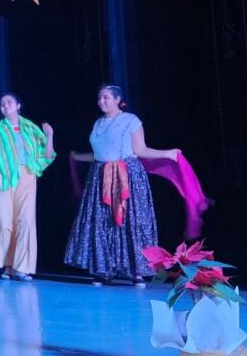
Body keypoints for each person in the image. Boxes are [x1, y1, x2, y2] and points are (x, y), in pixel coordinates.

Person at [64, 84, 180, 286]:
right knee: (102, 222)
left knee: (130, 221)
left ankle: (136, 271)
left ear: (118, 100)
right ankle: (103, 269)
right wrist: (78, 157)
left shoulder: (131, 121)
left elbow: (141, 150)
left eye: (106, 97)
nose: (101, 101)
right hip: (100, 176)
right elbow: (99, 154)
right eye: (100, 98)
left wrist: (167, 153)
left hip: (127, 175)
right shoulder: (98, 123)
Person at [0, 92, 55, 281]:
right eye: (2, 104)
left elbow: (47, 156)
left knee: (25, 221)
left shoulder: (30, 129)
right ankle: (8, 265)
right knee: (4, 222)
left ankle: (21, 268)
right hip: (3, 178)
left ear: (18, 106)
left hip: (27, 175)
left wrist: (50, 136)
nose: (5, 105)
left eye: (9, 102)